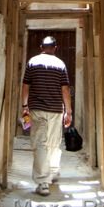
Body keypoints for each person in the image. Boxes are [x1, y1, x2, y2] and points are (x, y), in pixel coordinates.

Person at [21, 35, 72, 196]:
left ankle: (43, 182)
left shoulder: (32, 62)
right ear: (55, 48)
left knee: (40, 144)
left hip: (37, 109)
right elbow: (65, 89)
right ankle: (53, 172)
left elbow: (25, 85)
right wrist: (68, 111)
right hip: (56, 110)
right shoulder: (60, 64)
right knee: (53, 142)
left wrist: (24, 105)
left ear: (41, 47)